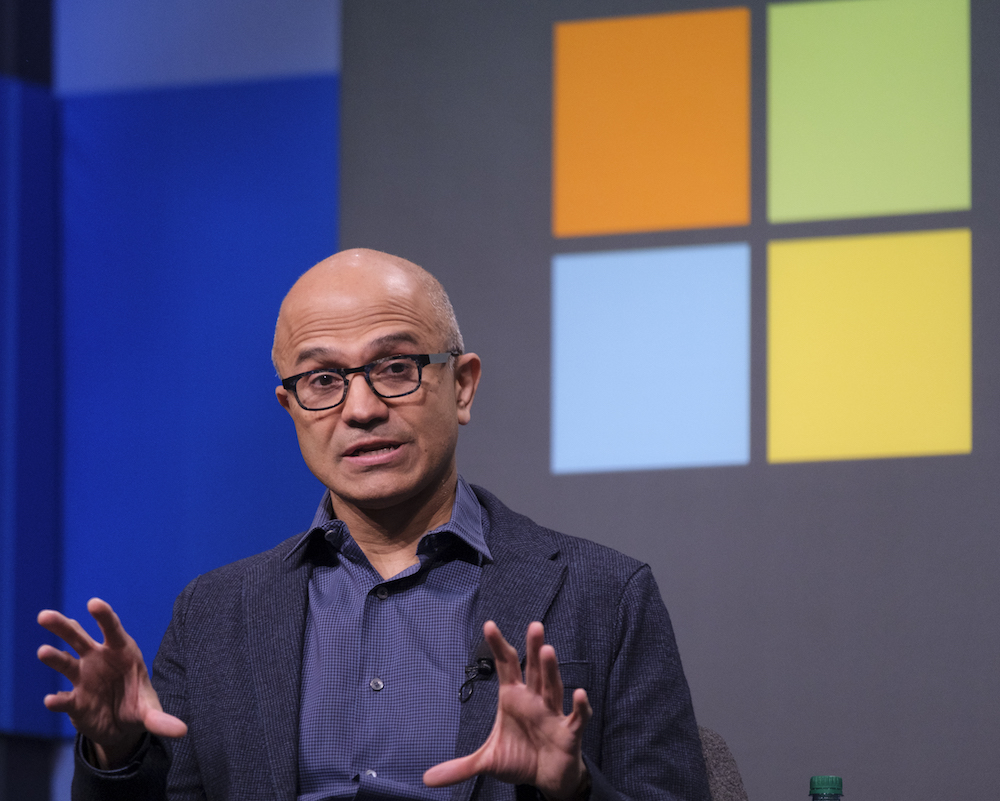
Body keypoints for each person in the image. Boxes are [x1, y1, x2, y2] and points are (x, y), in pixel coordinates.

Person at [37, 249, 710, 801]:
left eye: (395, 367)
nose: (360, 408)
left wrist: (573, 789)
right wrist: (117, 752)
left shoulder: (606, 594)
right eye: (323, 379)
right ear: (290, 406)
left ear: (463, 384)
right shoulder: (213, 614)